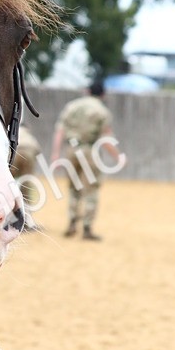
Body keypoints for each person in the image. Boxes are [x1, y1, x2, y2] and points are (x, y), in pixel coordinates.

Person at [51, 79, 122, 240]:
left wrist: (55, 154)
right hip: (90, 151)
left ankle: (71, 223)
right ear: (103, 95)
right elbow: (106, 138)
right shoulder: (102, 111)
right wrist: (117, 156)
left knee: (73, 188)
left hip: (71, 150)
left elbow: (60, 131)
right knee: (91, 190)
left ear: (87, 91)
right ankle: (87, 228)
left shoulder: (72, 106)